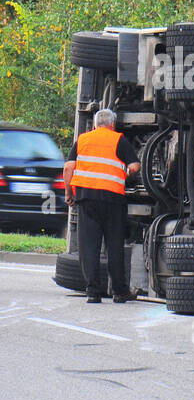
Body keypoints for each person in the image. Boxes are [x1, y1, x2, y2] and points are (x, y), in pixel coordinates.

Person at [63, 108, 140, 303]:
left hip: (86, 198)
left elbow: (68, 167)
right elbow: (135, 166)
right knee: (114, 245)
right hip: (113, 199)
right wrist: (125, 174)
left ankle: (92, 292)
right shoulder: (118, 139)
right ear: (112, 124)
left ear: (96, 124)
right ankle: (119, 291)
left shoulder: (83, 140)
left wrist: (68, 191)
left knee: (89, 245)